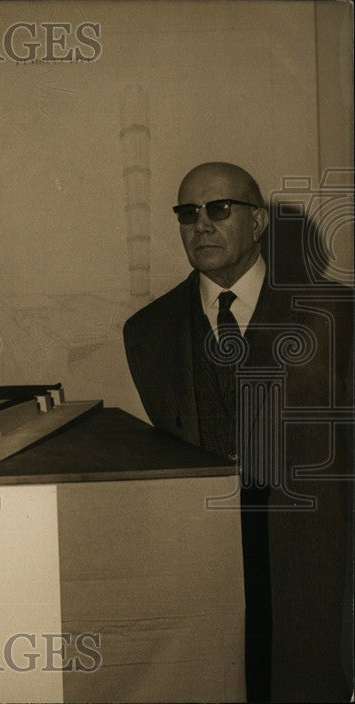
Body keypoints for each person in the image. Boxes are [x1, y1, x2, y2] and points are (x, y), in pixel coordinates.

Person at [123, 162, 353, 702]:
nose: (201, 224)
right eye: (188, 213)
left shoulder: (336, 317)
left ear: (257, 222)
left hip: (314, 568)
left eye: (220, 209)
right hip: (204, 572)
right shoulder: (147, 332)